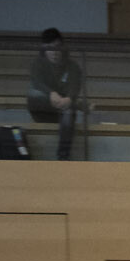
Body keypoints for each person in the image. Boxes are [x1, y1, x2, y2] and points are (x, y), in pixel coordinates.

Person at [25, 28, 86, 161]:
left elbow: (75, 86)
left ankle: (63, 157)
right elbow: (37, 82)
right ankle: (77, 105)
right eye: (49, 48)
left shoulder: (73, 66)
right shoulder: (37, 64)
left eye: (57, 47)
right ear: (44, 50)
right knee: (34, 94)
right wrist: (51, 94)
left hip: (64, 110)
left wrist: (69, 98)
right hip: (42, 110)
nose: (54, 52)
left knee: (69, 111)